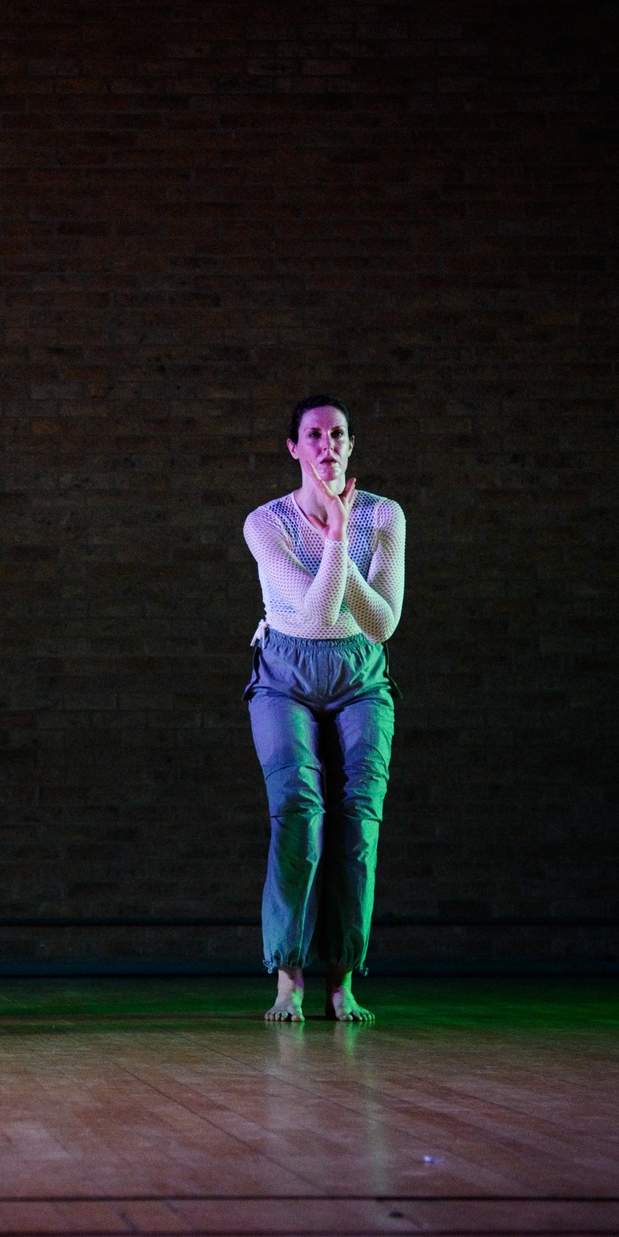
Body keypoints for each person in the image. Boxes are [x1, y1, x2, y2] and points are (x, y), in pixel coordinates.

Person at [242, 396, 406, 1023]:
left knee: (358, 822)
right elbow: (313, 615)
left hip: (360, 674)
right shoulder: (267, 523)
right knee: (299, 813)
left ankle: (342, 981)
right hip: (285, 675)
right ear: (294, 447)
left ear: (351, 444)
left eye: (337, 434)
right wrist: (336, 535)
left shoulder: (384, 515)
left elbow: (382, 625)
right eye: (313, 435)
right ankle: (288, 979)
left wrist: (342, 532)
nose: (326, 445)